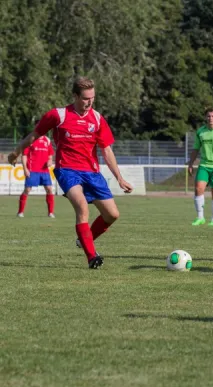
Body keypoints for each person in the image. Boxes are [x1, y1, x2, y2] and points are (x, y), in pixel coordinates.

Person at [8, 76, 133, 269]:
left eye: (92, 98)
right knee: (82, 207)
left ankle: (84, 239)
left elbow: (106, 150)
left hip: (92, 173)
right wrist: (16, 151)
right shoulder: (58, 115)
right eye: (85, 98)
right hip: (67, 170)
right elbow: (35, 134)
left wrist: (119, 177)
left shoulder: (97, 119)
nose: (89, 102)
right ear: (75, 96)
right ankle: (92, 257)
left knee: (112, 215)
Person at [17, 132, 55, 218]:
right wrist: (25, 169)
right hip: (32, 170)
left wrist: (50, 161)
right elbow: (24, 155)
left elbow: (50, 155)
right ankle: (20, 212)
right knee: (27, 190)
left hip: (44, 171)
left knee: (49, 189)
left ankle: (51, 213)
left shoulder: (47, 140)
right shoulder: (30, 139)